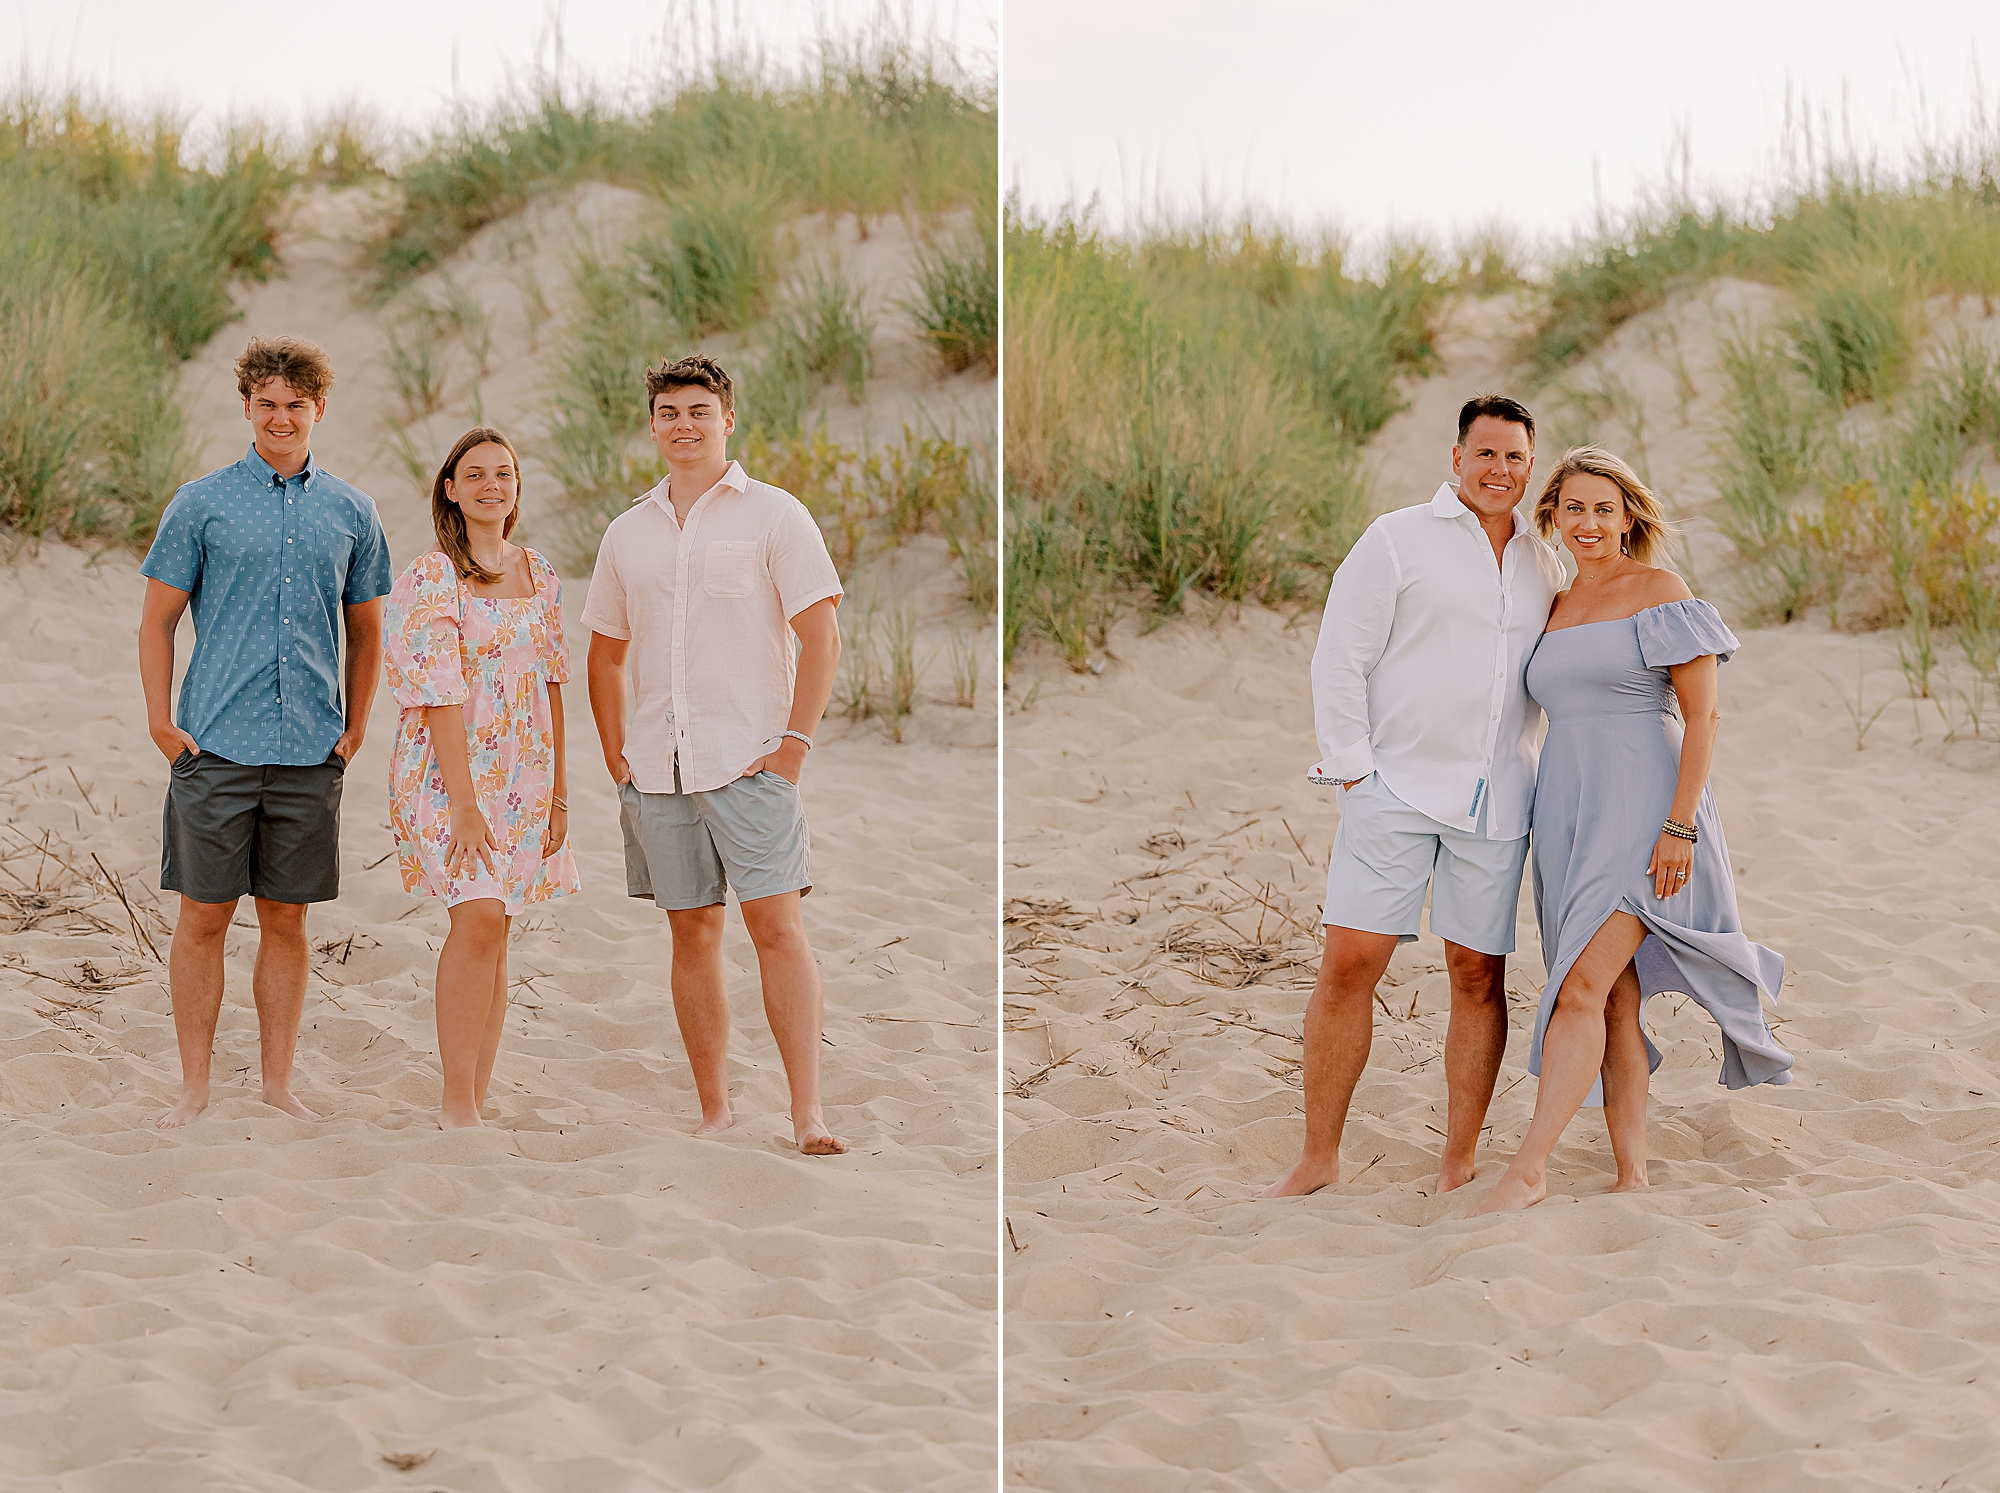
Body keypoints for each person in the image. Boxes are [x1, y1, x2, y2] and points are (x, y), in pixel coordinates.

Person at [1469, 448, 1792, 1215]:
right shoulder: (1551, 605)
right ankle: (1633, 1174)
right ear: (1551, 516)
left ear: (1629, 518)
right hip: (1568, 815)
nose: (1588, 523)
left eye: (1604, 509)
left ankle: (1529, 1167)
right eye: (1573, 508)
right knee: (1612, 998)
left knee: (1578, 984)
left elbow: (1704, 714)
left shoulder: (1661, 592)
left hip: (1647, 807)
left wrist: (1679, 824)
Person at [1262, 394, 1566, 1198]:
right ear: (1458, 458)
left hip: (1498, 800)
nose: (1500, 470)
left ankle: (1457, 1160)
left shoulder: (1548, 558)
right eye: (1487, 454)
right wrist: (1356, 775)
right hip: (1393, 789)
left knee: (1476, 974)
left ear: (1531, 466)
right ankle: (1317, 1158)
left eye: (1516, 458)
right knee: (1350, 964)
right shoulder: (1396, 539)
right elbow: (1339, 657)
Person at [583, 354, 847, 1155]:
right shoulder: (627, 531)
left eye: (699, 410)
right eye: (668, 412)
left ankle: (807, 1114)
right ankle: (714, 1109)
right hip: (658, 769)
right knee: (691, 933)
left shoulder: (775, 515)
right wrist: (614, 755)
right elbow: (603, 652)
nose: (683, 424)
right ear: (652, 423)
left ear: (727, 419)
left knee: (777, 928)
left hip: (753, 761)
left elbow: (821, 634)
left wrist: (794, 746)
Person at [138, 336, 391, 1129]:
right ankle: (195, 1087)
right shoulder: (202, 502)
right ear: (248, 405)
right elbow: (158, 622)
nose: (281, 419)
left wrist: (355, 725)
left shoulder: (353, 511)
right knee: (204, 916)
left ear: (320, 410)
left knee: (286, 919)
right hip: (213, 747)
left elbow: (368, 631)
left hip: (310, 753)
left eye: (297, 406)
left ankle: (277, 1083)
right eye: (268, 404)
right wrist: (160, 721)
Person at [382, 427, 581, 1130]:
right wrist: (464, 804)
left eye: (504, 473)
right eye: (476, 474)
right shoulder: (433, 576)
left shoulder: (542, 573)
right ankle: (456, 1101)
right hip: (445, 772)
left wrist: (558, 792)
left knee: (498, 926)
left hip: (522, 772)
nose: (491, 484)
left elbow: (553, 684)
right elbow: (438, 693)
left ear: (517, 487)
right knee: (479, 917)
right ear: (451, 488)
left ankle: (476, 1091)